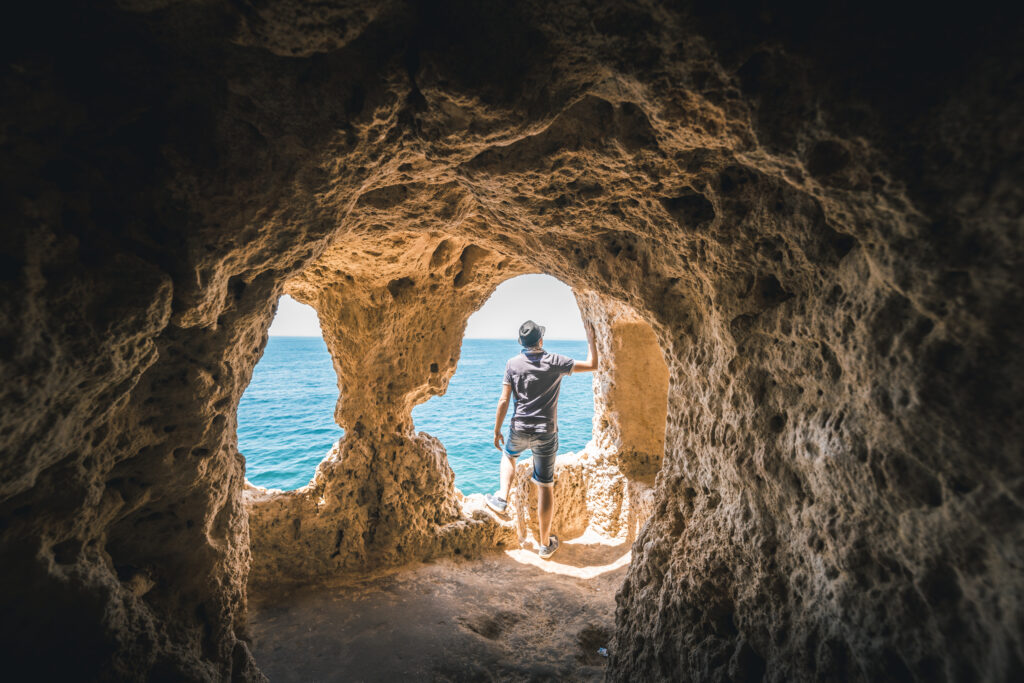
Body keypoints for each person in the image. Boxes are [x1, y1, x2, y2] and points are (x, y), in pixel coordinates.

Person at [484, 318, 599, 559]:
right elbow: (592, 365)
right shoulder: (556, 362)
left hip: (520, 427)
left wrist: (497, 430)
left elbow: (504, 400)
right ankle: (545, 544)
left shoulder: (512, 364)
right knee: (545, 485)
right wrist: (591, 337)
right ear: (541, 340)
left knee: (509, 455)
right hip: (546, 432)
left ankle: (502, 498)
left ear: (521, 343)